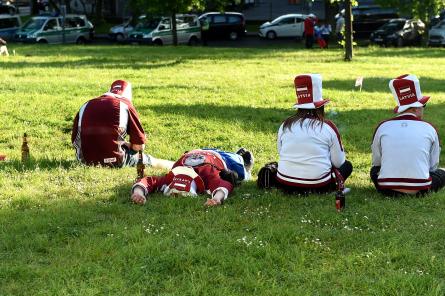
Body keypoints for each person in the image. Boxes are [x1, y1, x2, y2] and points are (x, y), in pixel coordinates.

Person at [257, 74, 353, 194]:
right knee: (348, 166)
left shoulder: (285, 125)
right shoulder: (328, 127)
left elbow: (281, 152)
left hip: (285, 184)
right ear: (320, 105)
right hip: (319, 186)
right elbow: (339, 162)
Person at [71, 80, 173, 169]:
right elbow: (139, 147)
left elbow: (75, 139)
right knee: (150, 160)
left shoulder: (86, 104)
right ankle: (178, 166)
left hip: (84, 161)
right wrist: (129, 145)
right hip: (114, 160)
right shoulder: (125, 104)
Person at [371, 74, 445, 197]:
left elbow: (377, 162)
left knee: (374, 170)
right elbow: (432, 166)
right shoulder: (429, 128)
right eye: (423, 105)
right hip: (421, 188)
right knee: (441, 173)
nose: (423, 108)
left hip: (387, 189)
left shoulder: (382, 127)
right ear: (415, 108)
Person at [131, 148, 254, 207]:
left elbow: (224, 185)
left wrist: (216, 199)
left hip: (224, 159)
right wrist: (138, 194)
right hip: (197, 153)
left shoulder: (208, 174)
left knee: (242, 175)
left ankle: (243, 158)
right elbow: (147, 182)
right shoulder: (170, 177)